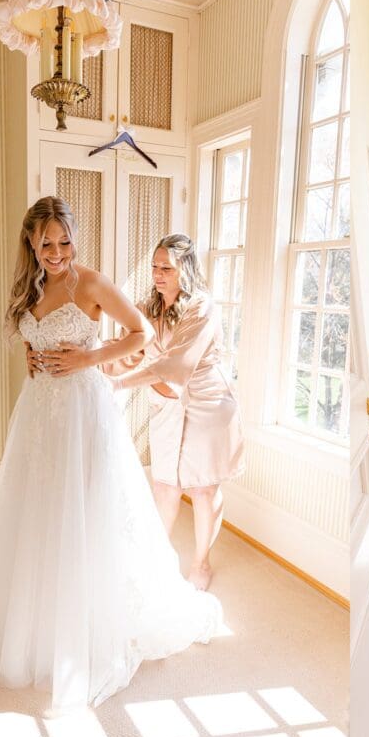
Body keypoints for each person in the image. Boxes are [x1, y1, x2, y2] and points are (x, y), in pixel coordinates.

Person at [0, 197, 222, 712]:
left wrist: (89, 357)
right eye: (46, 243)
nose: (57, 252)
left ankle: (90, 616)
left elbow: (140, 335)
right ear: (31, 244)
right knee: (40, 507)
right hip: (39, 411)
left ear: (75, 238)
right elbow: (33, 336)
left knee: (87, 506)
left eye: (65, 241)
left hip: (83, 409)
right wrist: (33, 354)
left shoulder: (92, 283)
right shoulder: (29, 286)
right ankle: (36, 615)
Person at [94, 234, 244, 591]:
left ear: (185, 270)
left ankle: (201, 562)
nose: (158, 275)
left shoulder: (203, 308)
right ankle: (161, 558)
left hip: (207, 406)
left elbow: (176, 365)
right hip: (165, 405)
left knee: (204, 489)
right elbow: (127, 354)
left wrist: (119, 385)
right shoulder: (147, 310)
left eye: (166, 268)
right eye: (154, 267)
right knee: (164, 486)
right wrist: (92, 360)